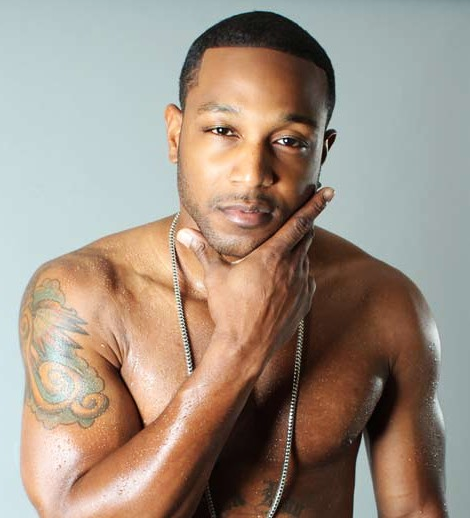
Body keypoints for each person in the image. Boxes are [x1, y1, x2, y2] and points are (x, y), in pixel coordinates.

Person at [19, 10, 448, 518]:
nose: (252, 173)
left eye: (289, 141)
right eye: (223, 130)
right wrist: (241, 347)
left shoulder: (384, 302)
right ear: (176, 135)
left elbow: (418, 510)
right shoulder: (83, 296)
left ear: (322, 153)